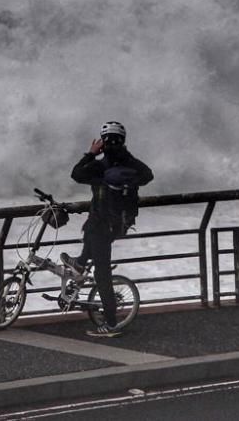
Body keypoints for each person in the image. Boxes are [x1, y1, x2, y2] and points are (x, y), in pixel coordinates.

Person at [61, 120, 153, 338]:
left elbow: (76, 174)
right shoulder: (131, 164)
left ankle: (111, 323)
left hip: (101, 224)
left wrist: (91, 153)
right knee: (90, 235)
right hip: (118, 224)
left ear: (103, 142)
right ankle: (81, 263)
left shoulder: (100, 166)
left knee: (102, 275)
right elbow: (148, 175)